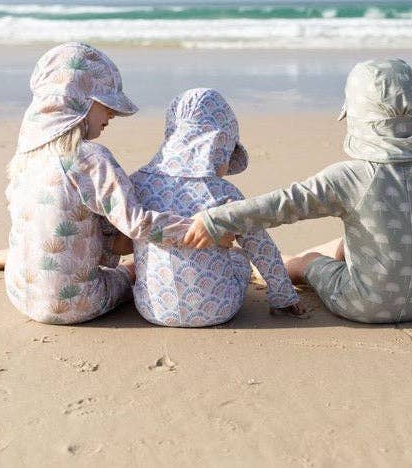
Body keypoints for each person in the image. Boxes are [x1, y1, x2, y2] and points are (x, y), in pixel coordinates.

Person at [184, 59, 412, 324]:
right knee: (351, 244)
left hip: (361, 304)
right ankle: (324, 256)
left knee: (312, 261)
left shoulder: (350, 177)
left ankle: (289, 265)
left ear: (356, 116)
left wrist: (216, 220)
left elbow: (281, 205)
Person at [4, 42, 199, 325]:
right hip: (73, 304)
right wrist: (199, 229)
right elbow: (137, 224)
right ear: (78, 100)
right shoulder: (90, 158)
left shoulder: (25, 159)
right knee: (132, 271)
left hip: (19, 292)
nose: (112, 115)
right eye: (106, 105)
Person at [129, 88, 305, 327]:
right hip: (218, 309)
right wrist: (283, 295)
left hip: (152, 309)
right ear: (219, 145)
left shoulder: (137, 183)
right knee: (240, 256)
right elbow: (261, 247)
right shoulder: (223, 192)